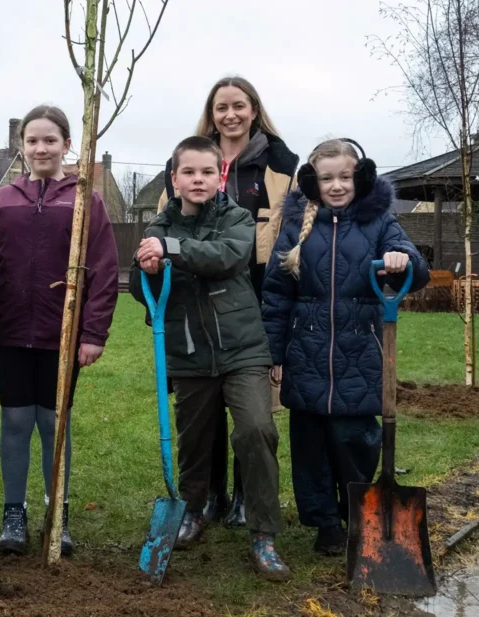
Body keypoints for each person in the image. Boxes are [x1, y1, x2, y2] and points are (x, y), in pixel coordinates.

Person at [130, 136, 290, 581]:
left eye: (206, 172)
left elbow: (229, 256)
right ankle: (193, 511)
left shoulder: (237, 217)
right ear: (174, 179)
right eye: (188, 173)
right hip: (188, 351)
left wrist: (173, 253)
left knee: (257, 429)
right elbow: (142, 290)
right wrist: (145, 267)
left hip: (242, 348)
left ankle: (263, 533)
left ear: (219, 176)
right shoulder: (157, 229)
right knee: (194, 442)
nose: (197, 180)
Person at [262, 139, 429, 555]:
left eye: (345, 177)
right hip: (307, 350)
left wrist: (402, 259)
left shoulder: (379, 221)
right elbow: (277, 292)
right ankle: (325, 525)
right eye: (326, 178)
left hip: (361, 352)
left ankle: (355, 510)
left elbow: (417, 269)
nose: (336, 186)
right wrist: (275, 352)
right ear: (311, 181)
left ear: (361, 177)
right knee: (310, 446)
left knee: (355, 440)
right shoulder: (296, 224)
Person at [0, 105, 119, 557]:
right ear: (22, 147)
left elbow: (105, 270)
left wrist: (92, 333)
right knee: (15, 420)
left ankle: (59, 512)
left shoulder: (86, 200)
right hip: (10, 328)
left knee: (55, 422)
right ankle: (14, 513)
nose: (41, 148)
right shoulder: (3, 200)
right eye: (33, 140)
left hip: (64, 330)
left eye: (50, 140)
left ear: (67, 145)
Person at [157, 76, 298, 528]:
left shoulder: (278, 164)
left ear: (254, 110)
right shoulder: (185, 161)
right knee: (201, 413)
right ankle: (207, 496)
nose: (231, 115)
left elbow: (287, 233)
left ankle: (245, 497)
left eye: (239, 105)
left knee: (253, 413)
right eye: (222, 107)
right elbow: (162, 235)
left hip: (253, 294)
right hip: (193, 304)